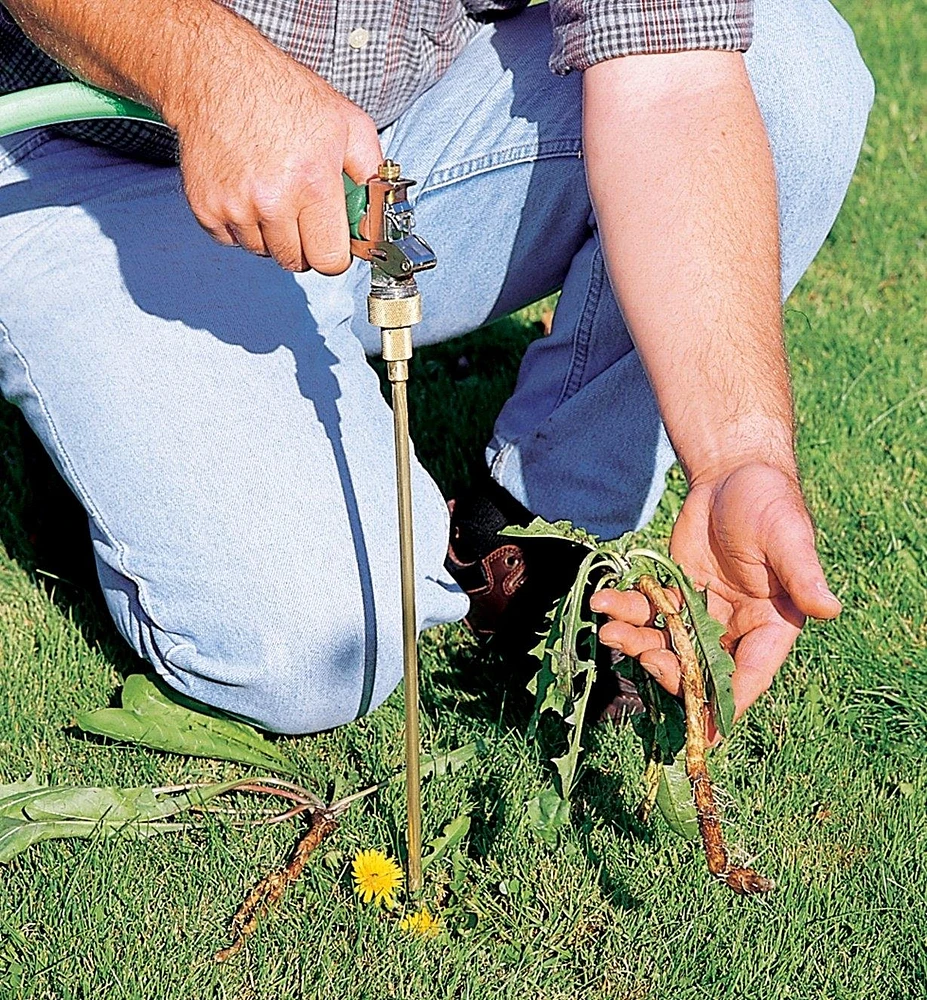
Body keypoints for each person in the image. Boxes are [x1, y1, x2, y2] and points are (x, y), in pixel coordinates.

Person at [0, 0, 872, 734]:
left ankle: (526, 535)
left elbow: (671, 85)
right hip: (82, 151)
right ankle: (110, 419)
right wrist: (207, 69)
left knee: (787, 67)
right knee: (320, 649)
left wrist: (733, 456)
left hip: (391, 139)